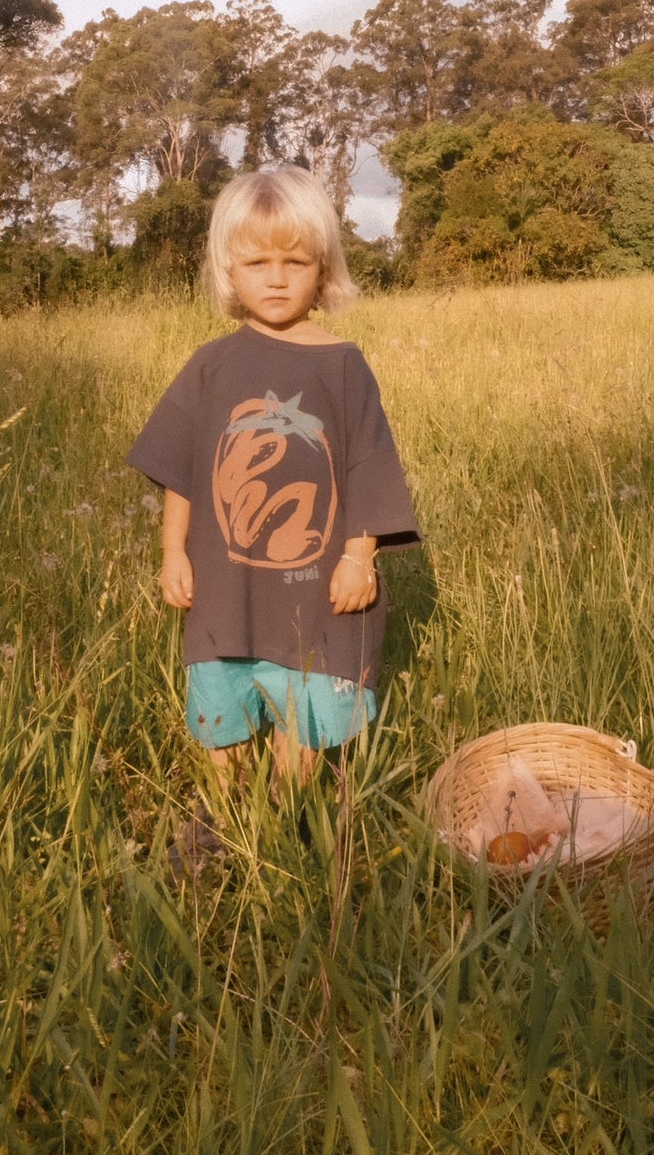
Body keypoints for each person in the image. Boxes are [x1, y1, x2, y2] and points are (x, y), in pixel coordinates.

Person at [126, 166, 419, 821]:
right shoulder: (211, 364)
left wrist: (359, 555)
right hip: (226, 586)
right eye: (258, 261)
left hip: (316, 589)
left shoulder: (342, 364)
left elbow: (371, 466)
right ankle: (222, 815)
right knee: (220, 700)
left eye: (295, 260)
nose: (278, 276)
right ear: (231, 271)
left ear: (324, 267)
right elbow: (182, 467)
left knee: (305, 704)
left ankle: (286, 817)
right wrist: (174, 551)